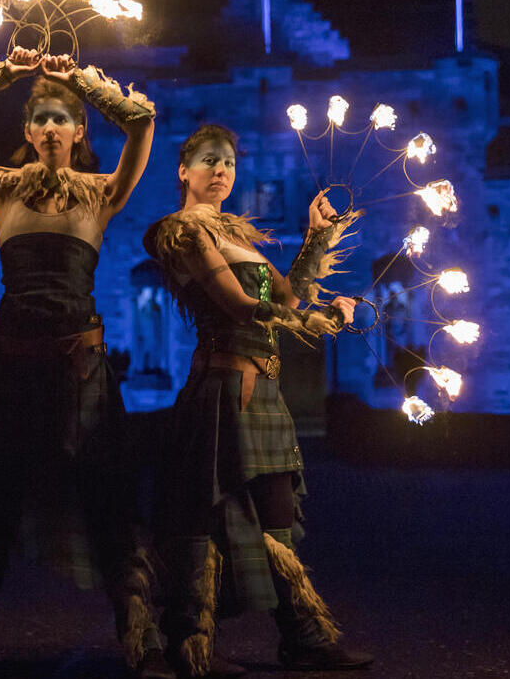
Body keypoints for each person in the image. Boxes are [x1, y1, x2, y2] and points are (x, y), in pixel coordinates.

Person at [0, 47, 170, 679]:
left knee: (110, 500)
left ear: (80, 132)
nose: (54, 127)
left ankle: (143, 639)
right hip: (11, 363)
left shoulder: (102, 191)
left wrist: (77, 78)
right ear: (28, 133)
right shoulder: (0, 187)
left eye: (65, 118)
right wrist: (7, 72)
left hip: (80, 366)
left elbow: (141, 123)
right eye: (43, 120)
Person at [143, 124, 374, 675]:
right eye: (207, 160)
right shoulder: (179, 231)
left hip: (263, 387)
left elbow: (288, 292)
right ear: (183, 170)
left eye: (228, 161)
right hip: (226, 386)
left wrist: (316, 238)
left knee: (275, 516)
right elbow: (240, 304)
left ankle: (301, 637)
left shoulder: (237, 237)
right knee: (211, 512)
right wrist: (313, 319)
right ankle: (191, 643)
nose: (220, 169)